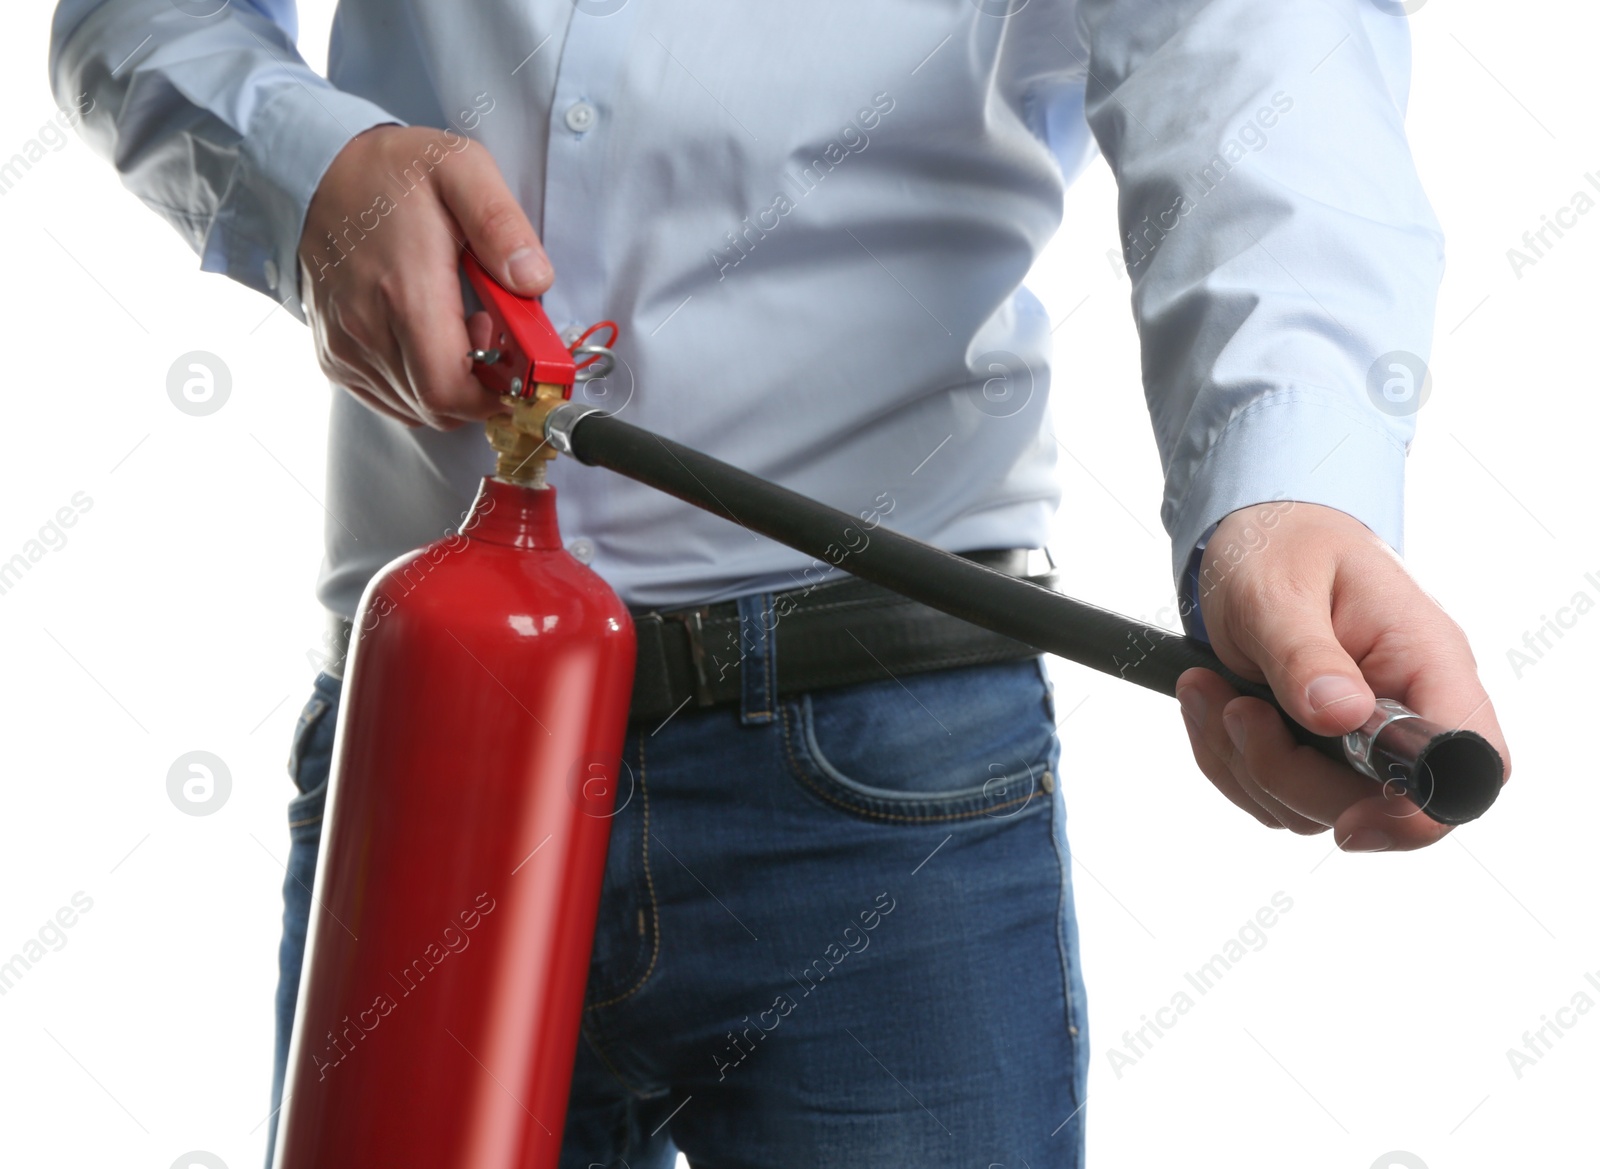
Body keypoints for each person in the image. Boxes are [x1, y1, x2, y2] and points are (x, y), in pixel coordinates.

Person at [50, 1, 1511, 1165]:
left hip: (887, 773)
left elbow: (1258, 51)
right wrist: (304, 171)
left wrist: (1283, 495)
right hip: (435, 754)